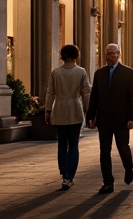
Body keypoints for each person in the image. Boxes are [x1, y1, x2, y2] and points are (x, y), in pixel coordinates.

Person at [86, 43, 133, 194]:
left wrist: (132, 118)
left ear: (119, 54)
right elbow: (94, 97)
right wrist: (91, 116)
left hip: (122, 120)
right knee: (104, 151)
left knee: (123, 148)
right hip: (104, 120)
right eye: (108, 53)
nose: (111, 56)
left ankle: (128, 167)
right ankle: (108, 182)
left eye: (114, 53)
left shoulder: (128, 72)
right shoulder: (99, 73)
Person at [43, 43, 91, 191]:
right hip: (75, 110)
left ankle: (64, 172)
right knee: (74, 145)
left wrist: (48, 110)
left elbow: (50, 92)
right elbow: (86, 93)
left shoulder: (56, 72)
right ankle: (69, 177)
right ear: (76, 56)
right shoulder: (81, 72)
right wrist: (89, 112)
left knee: (62, 144)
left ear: (63, 56)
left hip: (59, 110)